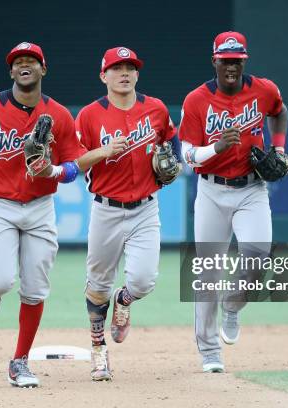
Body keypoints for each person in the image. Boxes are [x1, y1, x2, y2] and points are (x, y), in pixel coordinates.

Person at [0, 41, 126, 388]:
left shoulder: (59, 115)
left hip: (39, 209)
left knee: (34, 290)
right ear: (11, 71)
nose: (24, 65)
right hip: (1, 206)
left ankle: (19, 362)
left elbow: (73, 167)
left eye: (31, 60)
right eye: (18, 61)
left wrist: (53, 171)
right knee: (0, 281)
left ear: (43, 69)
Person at [178, 31, 288, 373]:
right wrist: (217, 148)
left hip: (251, 188)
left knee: (258, 254)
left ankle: (233, 307)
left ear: (244, 61)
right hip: (211, 190)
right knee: (209, 272)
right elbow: (186, 156)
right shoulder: (196, 100)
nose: (231, 66)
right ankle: (210, 350)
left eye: (237, 61)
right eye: (225, 61)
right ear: (214, 61)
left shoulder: (264, 90)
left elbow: (279, 111)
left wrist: (280, 146)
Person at [75, 46, 181, 381]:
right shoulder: (90, 115)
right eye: (117, 68)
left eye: (130, 68)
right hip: (106, 209)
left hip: (145, 208)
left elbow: (172, 142)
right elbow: (75, 162)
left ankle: (124, 300)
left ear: (137, 74)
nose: (125, 73)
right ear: (103, 75)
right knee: (97, 286)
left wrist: (172, 162)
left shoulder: (156, 109)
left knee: (143, 281)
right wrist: (103, 151)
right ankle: (98, 350)